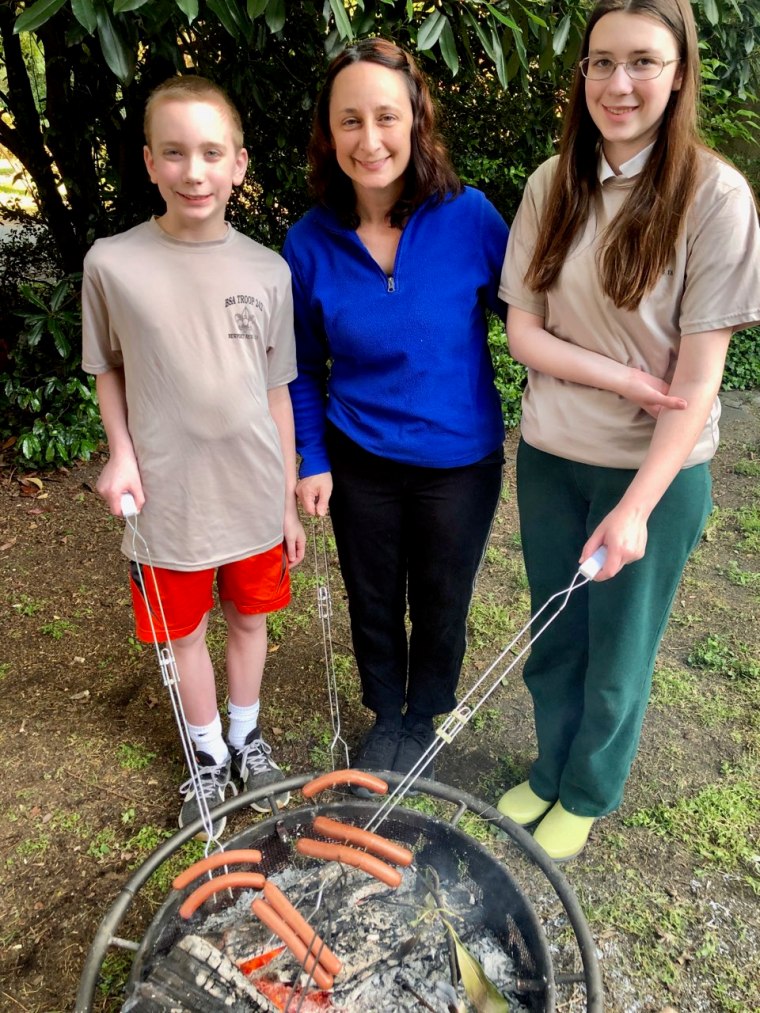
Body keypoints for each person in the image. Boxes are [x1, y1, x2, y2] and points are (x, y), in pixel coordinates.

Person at [498, 0, 760, 860]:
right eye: (602, 62)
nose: (619, 83)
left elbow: (699, 378)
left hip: (654, 471)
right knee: (554, 634)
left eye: (643, 62)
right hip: (550, 455)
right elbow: (524, 332)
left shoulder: (715, 196)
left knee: (618, 651)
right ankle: (548, 768)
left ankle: (587, 788)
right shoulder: (552, 182)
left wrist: (638, 508)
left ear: (679, 74)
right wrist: (621, 377)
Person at [82, 76, 305, 837]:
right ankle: (207, 754)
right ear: (149, 162)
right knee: (182, 634)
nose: (194, 171)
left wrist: (286, 501)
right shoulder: (113, 263)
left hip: (253, 491)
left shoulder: (269, 270)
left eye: (212, 153)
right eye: (174, 153)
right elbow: (108, 369)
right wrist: (121, 455)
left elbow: (277, 391)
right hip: (169, 496)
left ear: (239, 163)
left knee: (248, 618)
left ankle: (246, 736)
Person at [283, 39, 509, 783]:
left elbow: (534, 320)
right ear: (329, 133)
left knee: (443, 598)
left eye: (386, 116)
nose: (370, 138)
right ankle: (387, 714)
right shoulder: (308, 241)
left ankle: (424, 717)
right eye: (350, 120)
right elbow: (301, 366)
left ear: (416, 121)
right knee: (373, 597)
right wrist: (312, 458)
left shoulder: (471, 218)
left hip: (459, 459)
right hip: (359, 457)